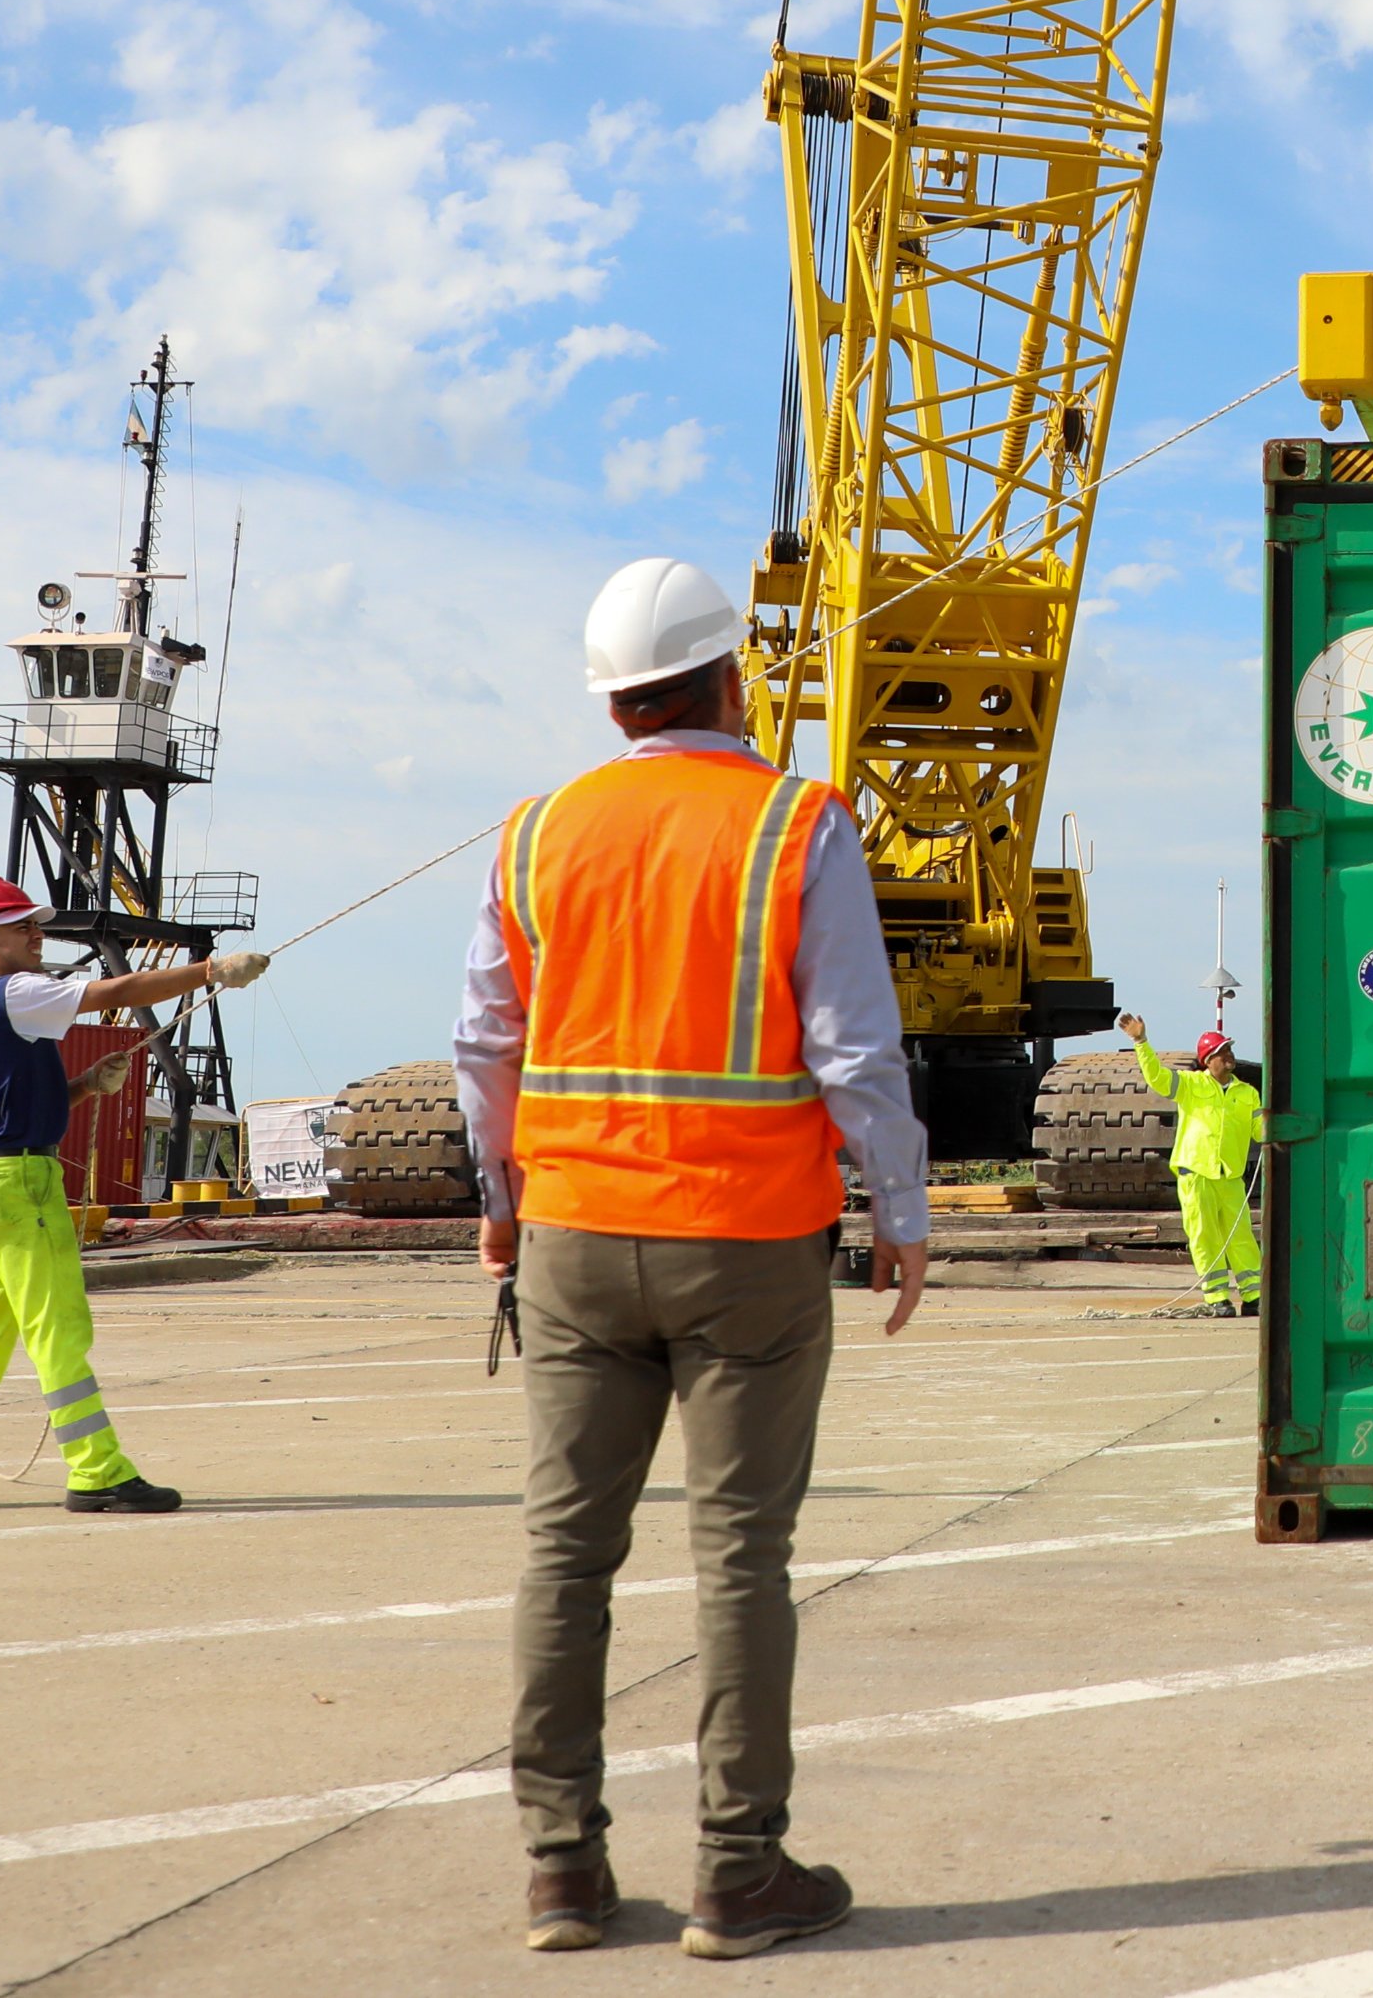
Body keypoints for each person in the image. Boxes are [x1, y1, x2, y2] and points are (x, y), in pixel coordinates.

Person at [452, 557, 930, 1961]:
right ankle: (738, 1868)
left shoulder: (536, 832)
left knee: (564, 1550)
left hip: (575, 1238)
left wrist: (502, 1194)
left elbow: (488, 1040)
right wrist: (902, 1210)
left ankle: (560, 1869)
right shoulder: (797, 820)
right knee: (739, 1561)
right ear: (737, 677)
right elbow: (851, 1042)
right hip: (749, 1244)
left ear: (611, 702)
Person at [0, 885, 267, 1512]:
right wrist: (209, 972)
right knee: (58, 1328)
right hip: (20, 1187)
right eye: (20, 927)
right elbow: (113, 993)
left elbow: (7, 1111)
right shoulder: (16, 992)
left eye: (37, 924)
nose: (37, 934)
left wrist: (86, 1085)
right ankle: (97, 1473)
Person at [1118, 1010, 1260, 1316]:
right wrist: (1141, 1041)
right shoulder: (1191, 1085)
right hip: (1196, 1174)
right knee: (1204, 1237)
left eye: (1230, 1051)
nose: (1229, 1056)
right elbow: (1156, 1077)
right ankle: (1217, 1298)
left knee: (1242, 1237)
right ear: (1208, 1060)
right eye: (1223, 1053)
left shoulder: (1247, 1093)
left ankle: (1254, 1297)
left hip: (1230, 1177)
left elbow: (1262, 1130)